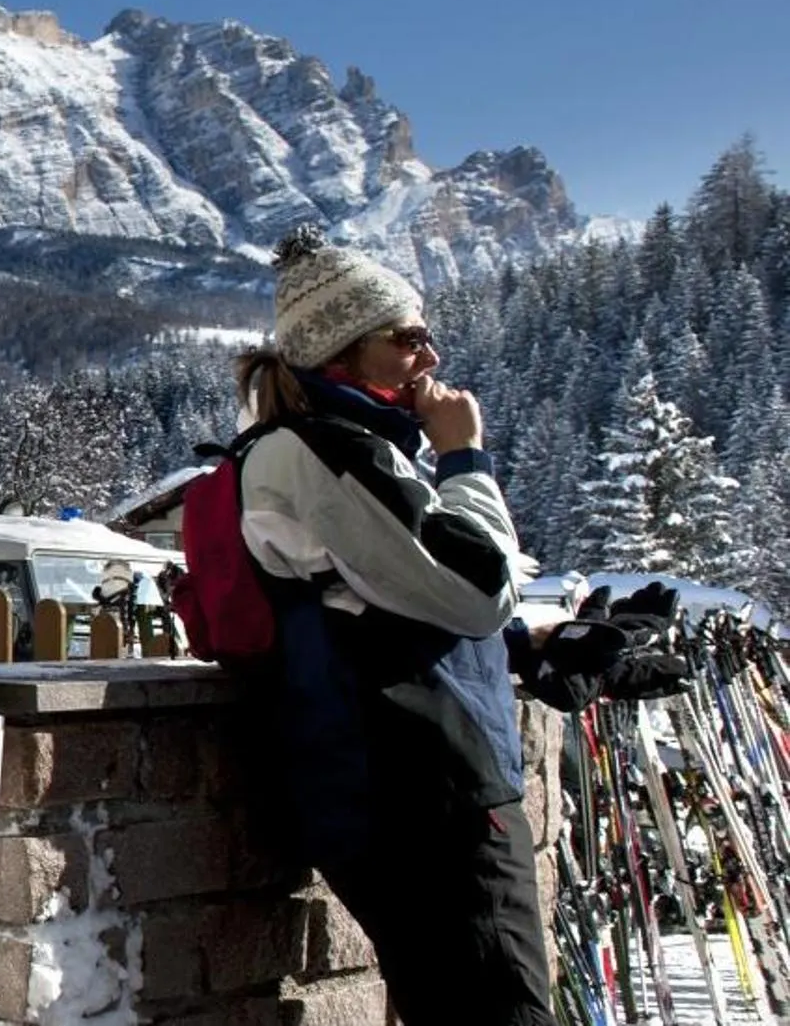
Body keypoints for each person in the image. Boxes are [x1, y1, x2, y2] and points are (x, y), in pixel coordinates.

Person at [232, 229, 683, 1026]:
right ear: (342, 350)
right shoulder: (326, 454)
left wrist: (532, 645)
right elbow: (475, 588)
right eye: (407, 338)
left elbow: (399, 602)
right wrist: (464, 457)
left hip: (418, 789)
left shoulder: (355, 446)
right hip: (426, 797)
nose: (430, 355)